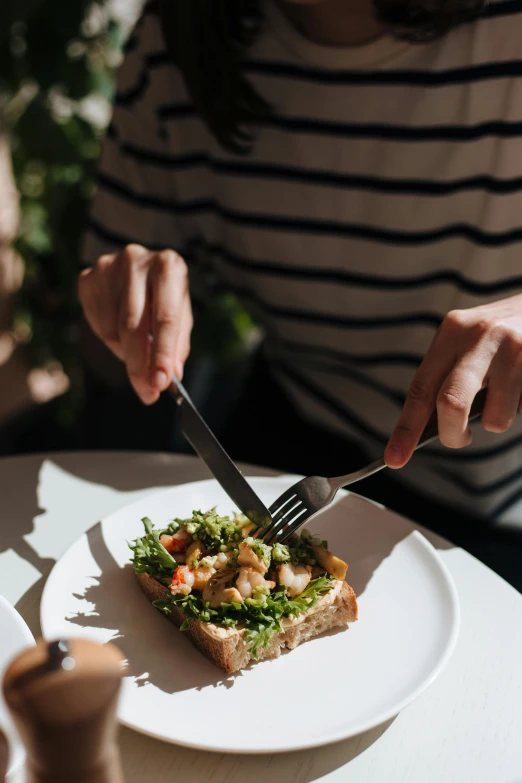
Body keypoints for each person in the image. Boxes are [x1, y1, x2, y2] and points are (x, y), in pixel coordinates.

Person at [79, 0, 522, 588]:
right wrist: (118, 300)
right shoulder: (178, 44)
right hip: (292, 441)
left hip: (495, 501)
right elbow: (106, 329)